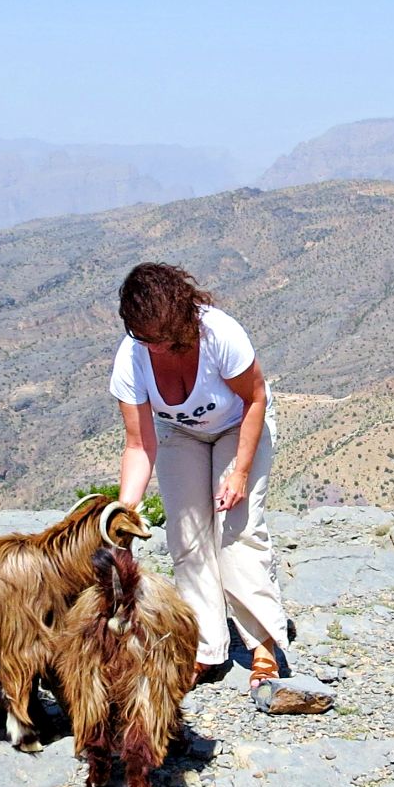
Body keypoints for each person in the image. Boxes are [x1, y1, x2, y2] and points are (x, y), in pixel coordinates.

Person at [112, 262, 291, 688]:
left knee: (237, 531)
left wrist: (240, 472)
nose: (154, 347)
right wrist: (125, 510)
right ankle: (206, 648)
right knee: (187, 537)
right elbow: (139, 445)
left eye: (162, 338)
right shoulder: (131, 358)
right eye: (145, 338)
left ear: (182, 318)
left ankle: (263, 646)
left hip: (239, 426)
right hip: (181, 435)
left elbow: (256, 399)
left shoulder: (220, 335)